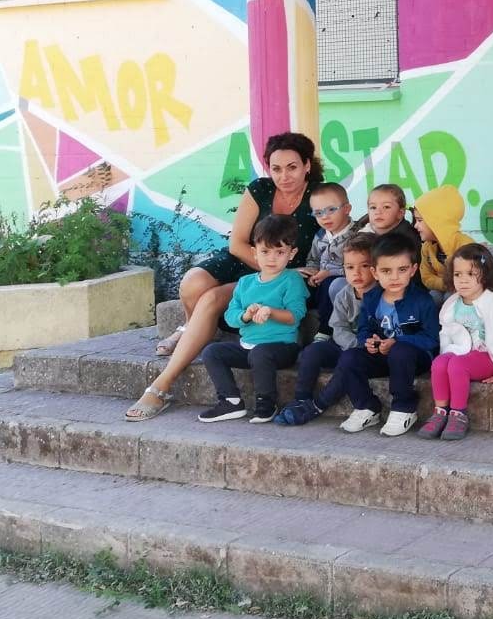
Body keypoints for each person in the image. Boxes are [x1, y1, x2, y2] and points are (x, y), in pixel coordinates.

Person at [126, 131, 322, 422]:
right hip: (248, 257)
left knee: (212, 298)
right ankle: (190, 327)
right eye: (276, 168)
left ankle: (161, 385)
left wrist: (281, 270)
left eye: (292, 167)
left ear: (307, 165)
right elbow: (237, 243)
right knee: (193, 282)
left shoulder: (318, 195)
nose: (284, 176)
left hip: (283, 269)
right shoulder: (260, 189)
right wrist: (262, 263)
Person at [284, 232, 439, 437]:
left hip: (413, 357)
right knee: (350, 357)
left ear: (413, 269)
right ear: (376, 272)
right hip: (383, 354)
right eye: (386, 271)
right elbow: (365, 328)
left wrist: (397, 341)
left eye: (402, 270)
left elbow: (431, 339)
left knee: (400, 351)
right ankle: (366, 406)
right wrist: (369, 341)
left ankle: (404, 408)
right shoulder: (372, 298)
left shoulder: (422, 300)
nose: (394, 277)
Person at [197, 215, 309, 424]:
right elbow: (230, 317)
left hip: (282, 347)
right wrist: (246, 315)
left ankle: (267, 403)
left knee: (260, 353)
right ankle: (230, 401)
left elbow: (295, 315)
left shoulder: (291, 279)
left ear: (291, 254)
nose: (272, 258)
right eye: (265, 251)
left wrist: (271, 312)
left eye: (280, 252)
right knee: (212, 351)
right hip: (247, 347)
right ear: (254, 252)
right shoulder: (245, 282)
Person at [420, 245, 493, 441]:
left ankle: (458, 414)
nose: (463, 279)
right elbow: (446, 334)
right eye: (457, 274)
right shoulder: (452, 303)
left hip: (488, 355)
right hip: (460, 352)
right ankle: (440, 411)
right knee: (439, 363)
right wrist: (446, 355)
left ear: (485, 274)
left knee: (457, 365)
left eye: (471, 273)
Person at [277, 234, 375, 422]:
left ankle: (317, 406)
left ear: (376, 268)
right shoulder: (344, 294)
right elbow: (338, 327)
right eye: (350, 267)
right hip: (347, 345)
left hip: (367, 352)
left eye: (364, 266)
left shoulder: (382, 296)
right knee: (312, 351)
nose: (357, 273)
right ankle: (301, 399)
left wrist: (358, 346)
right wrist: (351, 343)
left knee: (347, 363)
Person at [302, 181, 358, 331]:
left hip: (343, 282)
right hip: (320, 281)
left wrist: (329, 273)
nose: (325, 217)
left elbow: (360, 267)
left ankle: (325, 330)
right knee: (296, 282)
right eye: (318, 213)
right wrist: (312, 272)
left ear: (347, 209)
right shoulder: (320, 235)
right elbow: (313, 259)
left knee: (330, 283)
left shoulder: (357, 236)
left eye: (331, 210)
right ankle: (288, 325)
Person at [414, 184, 471, 299]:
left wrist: (454, 285)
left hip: (466, 290)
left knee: (450, 298)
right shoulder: (426, 247)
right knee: (432, 298)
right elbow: (426, 277)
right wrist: (446, 284)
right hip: (443, 288)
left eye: (419, 220)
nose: (415, 225)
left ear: (437, 222)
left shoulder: (465, 245)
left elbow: (472, 276)